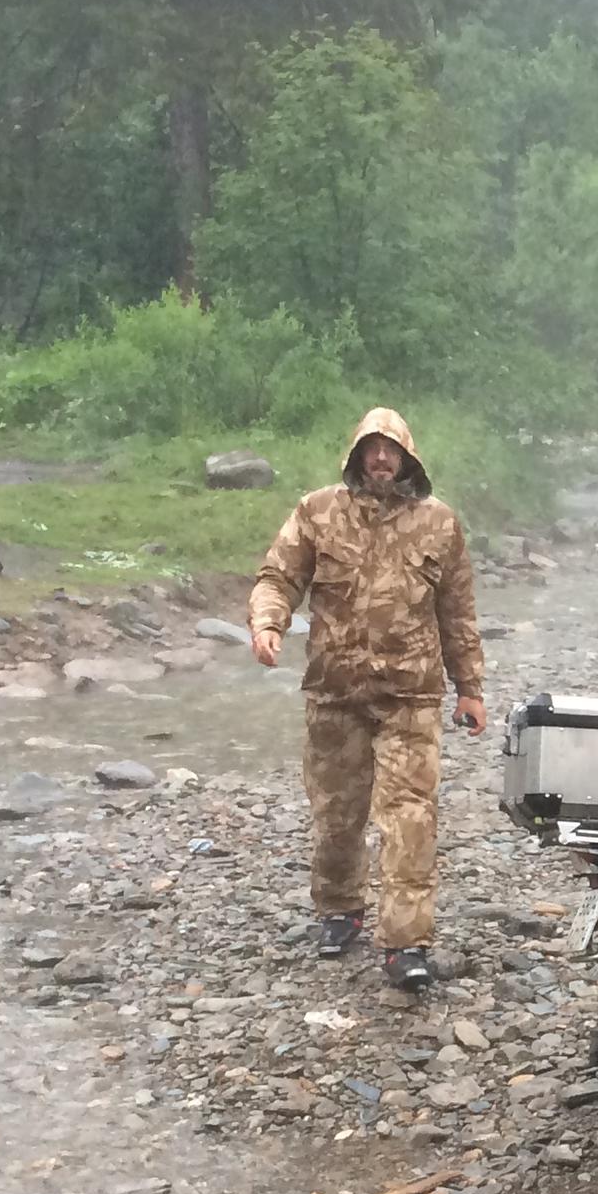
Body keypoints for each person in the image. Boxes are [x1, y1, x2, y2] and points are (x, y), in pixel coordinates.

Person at [247, 410, 487, 989]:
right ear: (355, 455)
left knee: (411, 820)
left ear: (408, 458)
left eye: (391, 450)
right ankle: (339, 909)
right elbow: (278, 577)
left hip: (411, 697)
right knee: (337, 815)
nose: (381, 458)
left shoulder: (440, 523)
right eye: (371, 449)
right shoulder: (317, 511)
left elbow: (458, 612)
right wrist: (268, 623)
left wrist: (470, 688)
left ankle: (406, 944)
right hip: (335, 693)